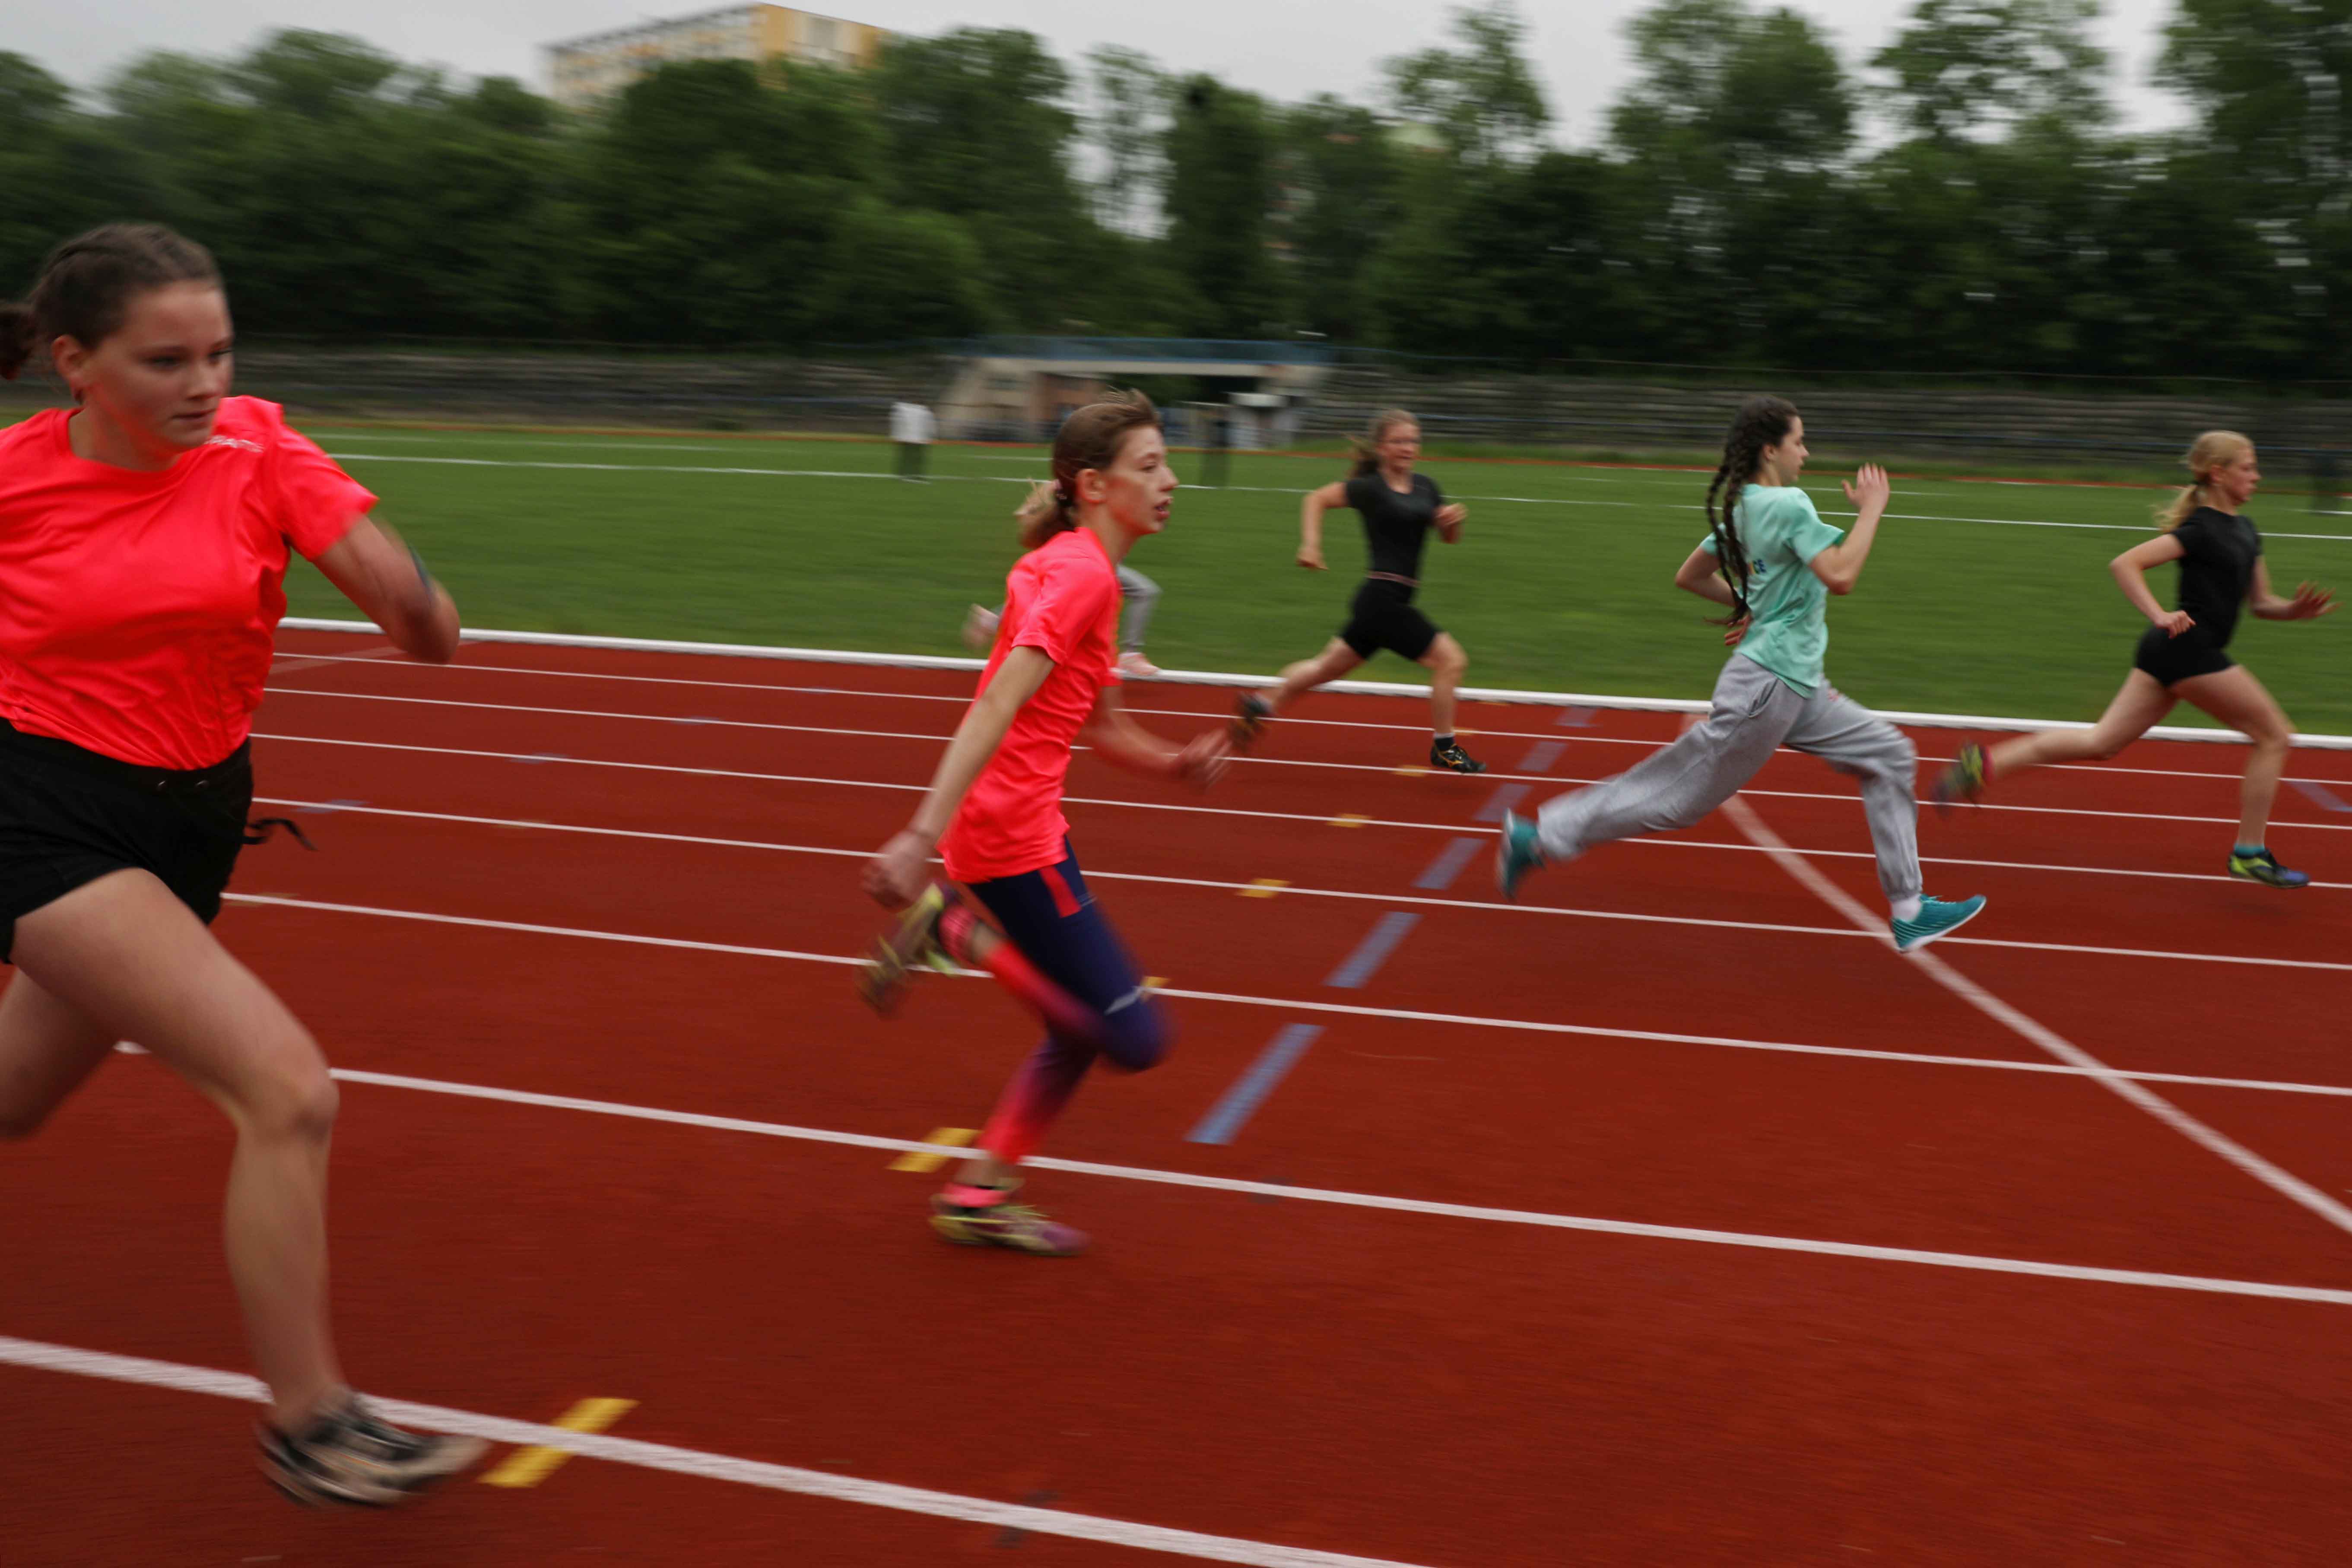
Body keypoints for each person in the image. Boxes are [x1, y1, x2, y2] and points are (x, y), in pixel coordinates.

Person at [0, 224, 483, 1505]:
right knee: (286, 1091)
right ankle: (312, 1423)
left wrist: (404, 591)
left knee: (12, 1100)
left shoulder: (260, 447)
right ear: (76, 363)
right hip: (41, 811)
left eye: (219, 353)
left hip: (195, 818)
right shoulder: (12, 482)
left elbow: (428, 630)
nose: (204, 383)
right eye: (166, 361)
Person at [863, 392, 1229, 1256]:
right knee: (1135, 1037)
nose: (1171, 481)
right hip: (1009, 837)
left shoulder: (1073, 564)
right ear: (1095, 486)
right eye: (1150, 466)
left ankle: (977, 1193)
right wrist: (920, 836)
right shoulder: (1083, 577)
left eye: (1167, 464)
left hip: (1019, 826)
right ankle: (954, 932)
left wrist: (1174, 762)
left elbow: (1102, 726)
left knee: (1077, 1028)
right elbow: (997, 701)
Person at [1495, 395, 1987, 954]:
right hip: (1768, 687)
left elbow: (1690, 575)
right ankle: (1540, 838)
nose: (1806, 452)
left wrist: (1751, 605)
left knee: (1889, 756)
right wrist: (1873, 508)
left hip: (1797, 686)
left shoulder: (1743, 510)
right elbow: (1842, 576)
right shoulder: (1789, 504)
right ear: (1770, 450)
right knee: (1678, 797)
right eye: (1799, 441)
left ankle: (1909, 908)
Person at [1934, 431, 2334, 886]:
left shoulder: (2246, 530)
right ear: (2219, 474)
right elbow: (2125, 564)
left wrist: (2294, 610)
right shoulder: (2201, 530)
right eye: (2248, 468)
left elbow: (2260, 603)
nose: (2257, 477)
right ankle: (2249, 853)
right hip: (2190, 651)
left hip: (2170, 653)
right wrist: (2159, 614)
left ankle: (1984, 764)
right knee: (2274, 736)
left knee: (2101, 743)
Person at [1229, 409, 1484, 772]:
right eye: (1398, 441)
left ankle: (1261, 704)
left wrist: (1452, 523)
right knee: (1451, 661)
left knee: (1323, 669)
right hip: (1382, 601)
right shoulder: (1370, 489)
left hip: (1382, 604)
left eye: (1412, 440)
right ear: (1381, 448)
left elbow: (1449, 539)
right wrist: (1311, 545)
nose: (1407, 447)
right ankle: (1445, 748)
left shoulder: (1427, 487)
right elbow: (1316, 499)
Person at [965, 567, 1164, 680]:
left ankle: (994, 620)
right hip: (1094, 560)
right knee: (1144, 592)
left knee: (1054, 598)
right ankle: (1130, 654)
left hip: (1088, 557)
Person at [891, 398, 934, 482]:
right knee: (918, 458)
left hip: (906, 439)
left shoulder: (906, 410)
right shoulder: (925, 412)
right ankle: (916, 474)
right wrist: (930, 438)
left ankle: (902, 473)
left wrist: (897, 436)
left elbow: (900, 422)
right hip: (920, 440)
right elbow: (930, 426)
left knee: (905, 457)